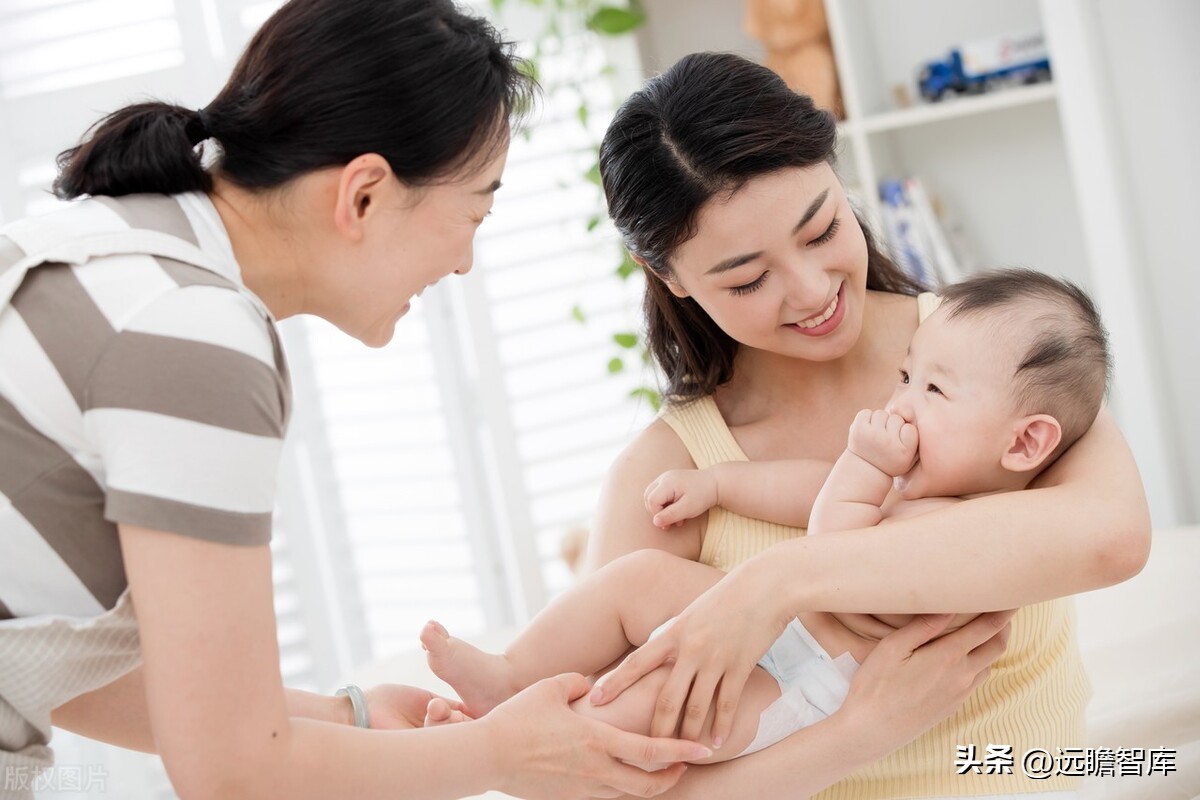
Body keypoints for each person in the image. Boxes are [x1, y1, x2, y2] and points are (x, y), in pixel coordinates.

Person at [0, 4, 1014, 800]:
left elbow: (51, 657)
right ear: (362, 195)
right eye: (472, 210)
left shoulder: (111, 242)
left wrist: (350, 713)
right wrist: (494, 749)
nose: (466, 261)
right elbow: (228, 768)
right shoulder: (194, 342)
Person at [583, 52, 1150, 800]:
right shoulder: (668, 470)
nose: (812, 291)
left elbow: (1111, 538)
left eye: (821, 230)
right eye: (749, 278)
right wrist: (858, 735)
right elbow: (599, 779)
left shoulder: (989, 352)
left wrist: (773, 585)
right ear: (670, 277)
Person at [417, 269, 1106, 764]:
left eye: (932, 390)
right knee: (634, 581)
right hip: (779, 630)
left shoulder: (995, 538)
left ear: (1024, 442)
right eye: (905, 377)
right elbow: (813, 489)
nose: (903, 401)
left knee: (661, 706)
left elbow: (834, 551)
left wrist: (867, 468)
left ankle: (522, 736)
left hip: (800, 684)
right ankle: (514, 676)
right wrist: (719, 484)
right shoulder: (924, 487)